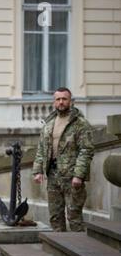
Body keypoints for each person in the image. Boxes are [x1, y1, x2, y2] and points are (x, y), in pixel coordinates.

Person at [32, 87, 94, 232]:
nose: (61, 102)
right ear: (54, 102)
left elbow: (86, 150)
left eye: (64, 99)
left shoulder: (80, 124)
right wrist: (38, 170)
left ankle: (78, 251)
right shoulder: (49, 124)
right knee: (55, 217)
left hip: (71, 177)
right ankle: (59, 250)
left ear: (70, 101)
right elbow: (41, 149)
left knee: (74, 217)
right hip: (53, 176)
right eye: (58, 99)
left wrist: (79, 175)